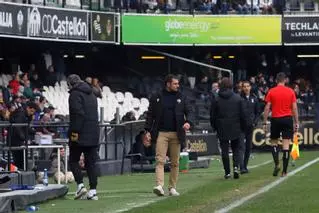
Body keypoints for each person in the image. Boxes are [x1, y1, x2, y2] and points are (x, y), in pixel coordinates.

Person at [145, 74, 194, 196]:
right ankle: (159, 185)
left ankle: (172, 187)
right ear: (168, 84)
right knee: (160, 160)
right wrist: (147, 130)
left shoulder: (182, 97)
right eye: (175, 83)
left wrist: (188, 122)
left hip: (176, 133)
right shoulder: (157, 97)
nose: (178, 86)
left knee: (175, 162)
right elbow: (150, 114)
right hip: (161, 133)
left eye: (178, 83)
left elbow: (190, 111)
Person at [67, 74, 99, 200]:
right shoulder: (92, 94)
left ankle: (80, 186)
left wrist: (74, 133)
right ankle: (93, 191)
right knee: (91, 163)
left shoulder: (74, 95)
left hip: (80, 134)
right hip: (93, 133)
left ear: (71, 84)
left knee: (73, 160)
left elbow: (77, 115)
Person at [210, 77, 247, 179]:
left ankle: (227, 172)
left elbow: (212, 115)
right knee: (236, 149)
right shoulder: (238, 98)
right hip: (236, 127)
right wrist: (243, 127)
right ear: (231, 86)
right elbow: (243, 115)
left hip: (222, 127)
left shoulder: (216, 98)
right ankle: (235, 167)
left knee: (225, 151)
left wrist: (214, 127)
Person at [263, 72, 299, 177]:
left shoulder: (271, 91)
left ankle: (277, 164)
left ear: (276, 80)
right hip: (287, 119)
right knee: (286, 145)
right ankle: (284, 171)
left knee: (274, 142)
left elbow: (267, 107)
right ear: (285, 80)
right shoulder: (290, 91)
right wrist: (296, 121)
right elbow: (295, 108)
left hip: (275, 119)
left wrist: (265, 122)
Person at [9, 102, 38, 170]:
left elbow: (26, 127)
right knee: (19, 161)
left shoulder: (25, 115)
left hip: (19, 141)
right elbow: (18, 128)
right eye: (31, 111)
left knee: (22, 161)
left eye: (33, 112)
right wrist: (24, 139)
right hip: (16, 141)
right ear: (28, 108)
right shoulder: (20, 114)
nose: (31, 113)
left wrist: (35, 132)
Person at [240, 81, 260, 174]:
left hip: (250, 127)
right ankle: (241, 167)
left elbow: (257, 112)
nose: (246, 88)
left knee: (248, 147)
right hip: (240, 127)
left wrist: (255, 122)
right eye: (244, 86)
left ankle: (245, 166)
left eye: (248, 86)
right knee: (241, 147)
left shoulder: (254, 98)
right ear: (242, 88)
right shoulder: (239, 98)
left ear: (250, 87)